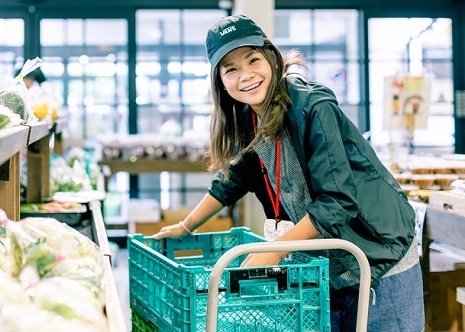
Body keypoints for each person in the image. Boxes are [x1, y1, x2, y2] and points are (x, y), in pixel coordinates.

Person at [153, 14, 423, 331]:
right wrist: (186, 226)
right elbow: (232, 181)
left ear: (271, 56)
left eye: (253, 59)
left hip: (377, 255)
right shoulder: (246, 116)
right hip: (326, 262)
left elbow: (337, 201)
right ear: (221, 81)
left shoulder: (312, 106)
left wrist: (275, 252)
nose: (246, 76)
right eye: (231, 69)